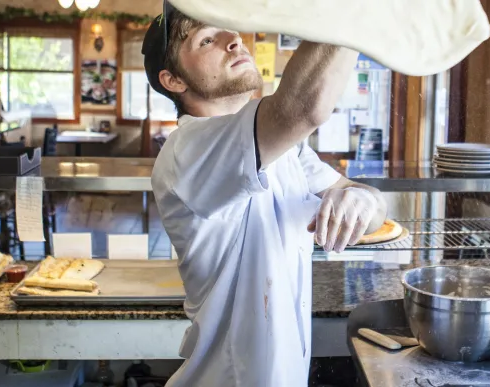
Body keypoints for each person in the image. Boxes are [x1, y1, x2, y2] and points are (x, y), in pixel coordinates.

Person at [142, 3, 387, 386]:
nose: (233, 39)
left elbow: (372, 211)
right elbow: (302, 109)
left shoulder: (287, 151)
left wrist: (363, 199)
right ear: (174, 80)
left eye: (228, 29)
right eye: (207, 39)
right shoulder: (187, 150)